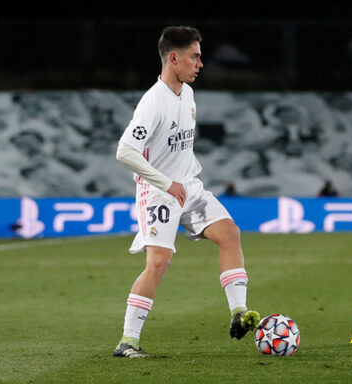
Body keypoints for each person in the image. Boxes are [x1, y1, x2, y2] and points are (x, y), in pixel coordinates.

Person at [113, 26, 259, 358]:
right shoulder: (153, 103)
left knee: (229, 233)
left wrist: (182, 180)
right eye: (194, 57)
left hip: (188, 186)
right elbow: (125, 151)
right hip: (160, 191)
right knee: (159, 263)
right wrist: (165, 183)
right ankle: (128, 341)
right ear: (174, 58)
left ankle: (239, 313)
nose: (200, 63)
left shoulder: (187, 94)